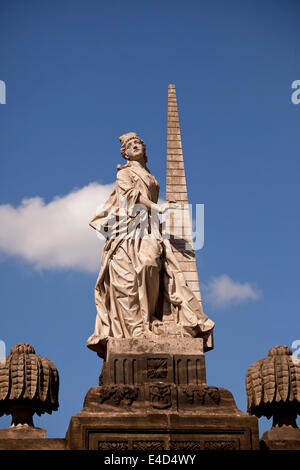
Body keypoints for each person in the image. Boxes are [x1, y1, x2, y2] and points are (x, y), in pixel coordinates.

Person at [87, 132, 214, 356]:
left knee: (151, 265)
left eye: (138, 143)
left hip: (150, 228)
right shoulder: (124, 174)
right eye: (130, 145)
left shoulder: (149, 175)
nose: (135, 146)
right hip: (129, 229)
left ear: (144, 150)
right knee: (133, 277)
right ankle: (139, 327)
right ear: (125, 153)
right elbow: (132, 198)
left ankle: (151, 319)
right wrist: (159, 208)